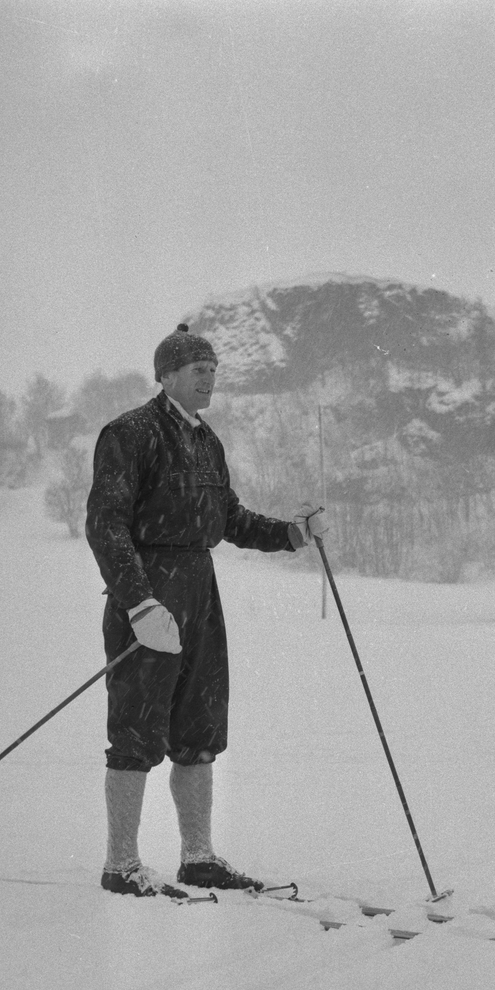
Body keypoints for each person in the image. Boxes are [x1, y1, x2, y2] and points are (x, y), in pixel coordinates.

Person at [85, 322, 329, 897]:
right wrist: (140, 602)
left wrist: (293, 534)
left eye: (214, 370)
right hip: (148, 593)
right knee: (136, 729)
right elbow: (106, 525)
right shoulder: (130, 434)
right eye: (198, 369)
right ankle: (121, 864)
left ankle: (198, 857)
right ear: (165, 374)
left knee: (199, 728)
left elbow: (231, 520)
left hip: (200, 590)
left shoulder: (206, 441)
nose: (209, 378)